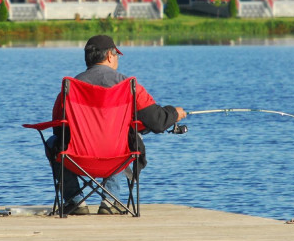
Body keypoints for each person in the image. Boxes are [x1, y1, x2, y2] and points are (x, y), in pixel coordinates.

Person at [44, 34, 187, 215]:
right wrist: (174, 113)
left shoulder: (70, 87)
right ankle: (111, 200)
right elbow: (157, 122)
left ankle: (75, 201)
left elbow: (58, 128)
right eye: (117, 55)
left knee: (53, 141)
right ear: (110, 56)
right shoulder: (128, 86)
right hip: (117, 157)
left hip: (77, 158)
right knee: (129, 138)